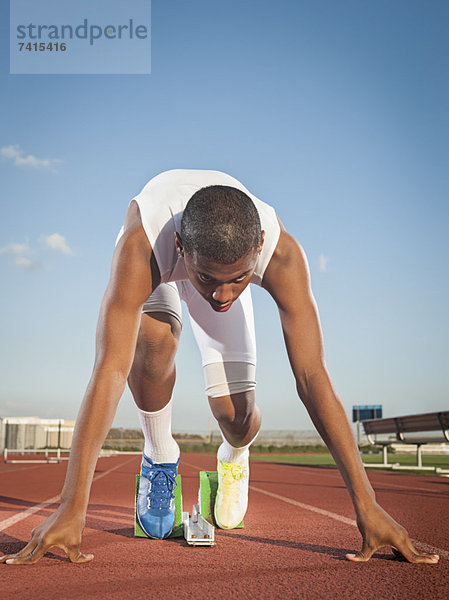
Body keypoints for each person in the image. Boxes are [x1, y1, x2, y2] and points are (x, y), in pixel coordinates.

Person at [1, 169, 439, 565]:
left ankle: (234, 456)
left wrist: (367, 503)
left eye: (240, 279)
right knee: (150, 342)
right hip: (167, 265)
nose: (223, 296)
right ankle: (159, 454)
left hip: (215, 254)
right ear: (180, 247)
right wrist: (72, 506)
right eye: (211, 280)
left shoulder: (282, 256)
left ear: (260, 249)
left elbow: (311, 377)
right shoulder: (144, 246)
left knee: (235, 415)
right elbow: (110, 369)